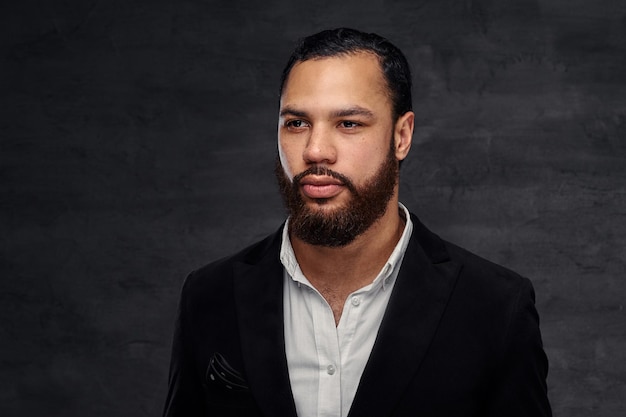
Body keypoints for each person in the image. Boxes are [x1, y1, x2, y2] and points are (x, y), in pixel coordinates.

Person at [162, 28, 552, 417]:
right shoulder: (208, 296)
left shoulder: (495, 307)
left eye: (348, 123)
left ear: (402, 136)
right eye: (296, 123)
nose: (315, 151)